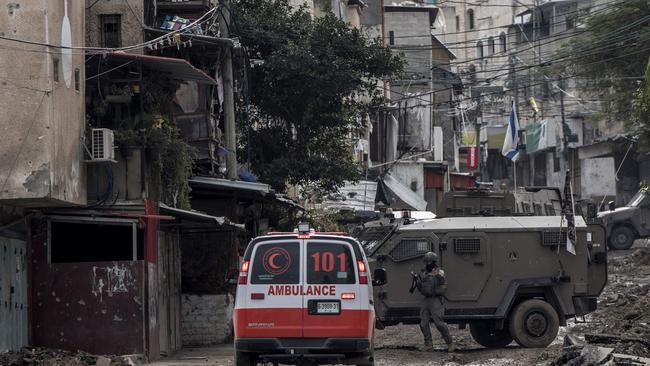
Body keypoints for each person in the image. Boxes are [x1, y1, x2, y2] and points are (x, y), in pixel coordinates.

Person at [415, 251, 455, 352]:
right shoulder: (424, 272)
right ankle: (428, 345)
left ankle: (450, 343)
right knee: (423, 323)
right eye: (426, 261)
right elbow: (421, 288)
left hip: (435, 300)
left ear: (434, 261)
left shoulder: (439, 272)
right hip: (426, 300)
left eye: (430, 261)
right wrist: (417, 281)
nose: (428, 263)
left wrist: (436, 276)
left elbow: (443, 286)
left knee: (439, 324)